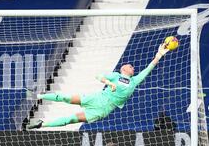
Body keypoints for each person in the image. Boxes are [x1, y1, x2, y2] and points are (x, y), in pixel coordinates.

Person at [27, 43, 170, 129]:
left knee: (69, 119)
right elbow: (98, 76)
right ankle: (37, 96)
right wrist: (108, 83)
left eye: (132, 67)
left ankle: (42, 124)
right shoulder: (115, 76)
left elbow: (148, 68)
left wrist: (159, 54)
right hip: (97, 98)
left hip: (103, 109)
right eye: (130, 65)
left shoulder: (134, 81)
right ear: (123, 69)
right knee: (65, 98)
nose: (132, 67)